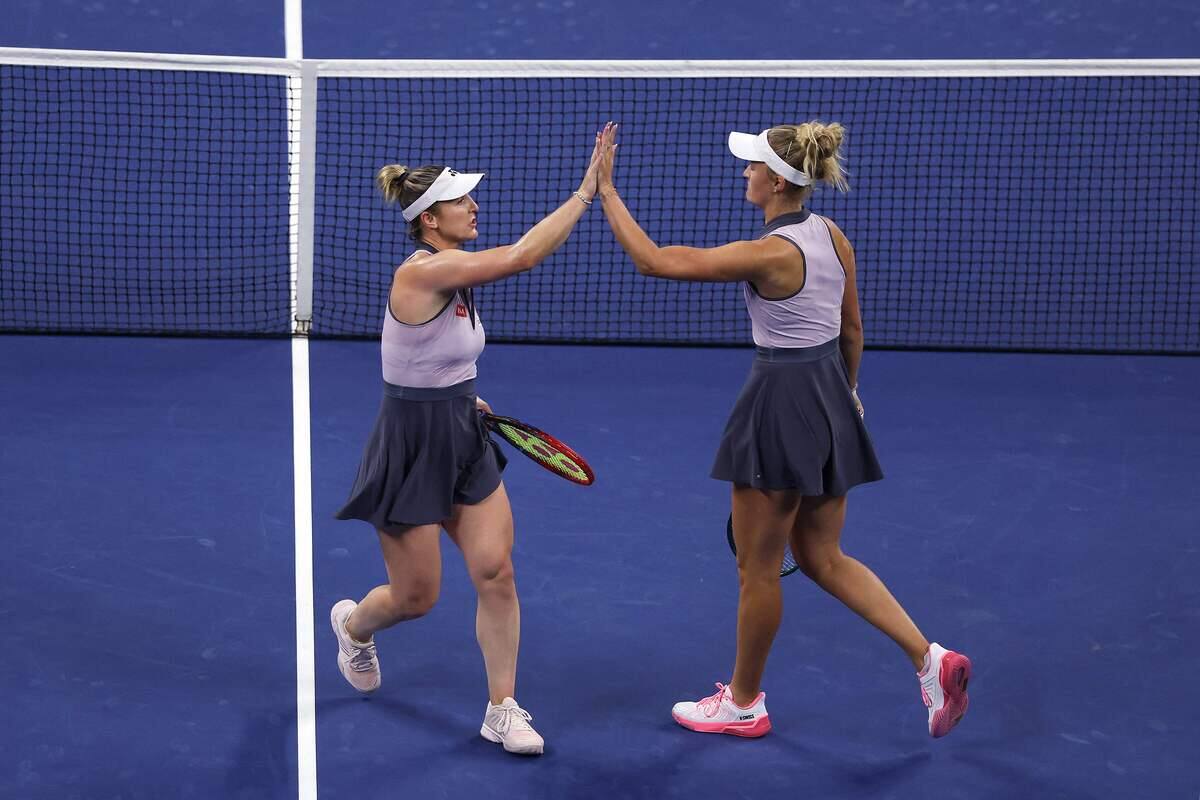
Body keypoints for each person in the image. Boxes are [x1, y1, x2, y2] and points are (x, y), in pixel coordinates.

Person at [592, 121, 971, 738]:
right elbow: (851, 332)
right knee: (822, 555)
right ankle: (931, 660)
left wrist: (605, 190)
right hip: (830, 395)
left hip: (779, 403)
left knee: (757, 570)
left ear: (774, 181)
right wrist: (845, 399)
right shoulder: (832, 234)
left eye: (752, 167)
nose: (744, 173)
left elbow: (654, 261)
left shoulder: (767, 253)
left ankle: (743, 702)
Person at [331, 133, 603, 756]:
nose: (474, 207)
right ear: (429, 218)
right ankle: (354, 625)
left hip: (462, 433)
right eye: (461, 201)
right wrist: (587, 193)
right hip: (408, 446)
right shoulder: (424, 270)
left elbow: (432, 358)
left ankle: (501, 709)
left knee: (496, 573)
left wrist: (461, 396)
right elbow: (523, 256)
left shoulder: (454, 274)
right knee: (416, 597)